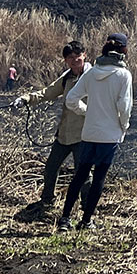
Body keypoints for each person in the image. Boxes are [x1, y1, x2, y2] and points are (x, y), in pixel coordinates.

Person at [58, 33, 133, 231]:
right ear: (124, 51)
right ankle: (86, 221)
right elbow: (124, 107)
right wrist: (123, 127)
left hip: (89, 132)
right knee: (98, 178)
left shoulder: (91, 73)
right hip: (109, 135)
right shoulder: (124, 75)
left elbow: (71, 100)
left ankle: (65, 219)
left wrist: (86, 112)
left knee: (80, 176)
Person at [12, 41, 90, 209]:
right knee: (50, 168)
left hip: (84, 135)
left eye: (78, 57)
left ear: (85, 55)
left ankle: (86, 207)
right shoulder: (67, 78)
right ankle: (47, 200)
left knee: (83, 173)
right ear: (65, 60)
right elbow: (47, 92)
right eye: (71, 58)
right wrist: (26, 99)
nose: (75, 60)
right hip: (64, 134)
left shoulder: (93, 77)